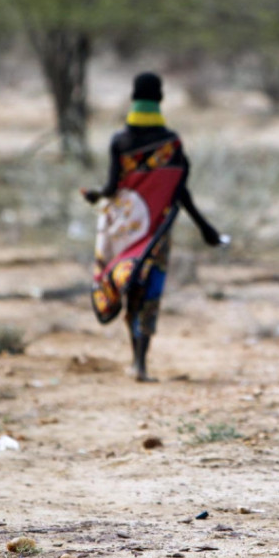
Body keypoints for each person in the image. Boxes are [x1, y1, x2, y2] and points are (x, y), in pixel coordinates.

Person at [84, 72, 226, 381]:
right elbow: (180, 190)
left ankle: (134, 356)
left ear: (133, 99)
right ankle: (140, 362)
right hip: (157, 232)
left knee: (128, 284)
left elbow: (111, 187)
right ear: (160, 100)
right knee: (149, 292)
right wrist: (205, 227)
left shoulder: (119, 142)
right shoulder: (171, 145)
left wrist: (95, 196)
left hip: (123, 231)